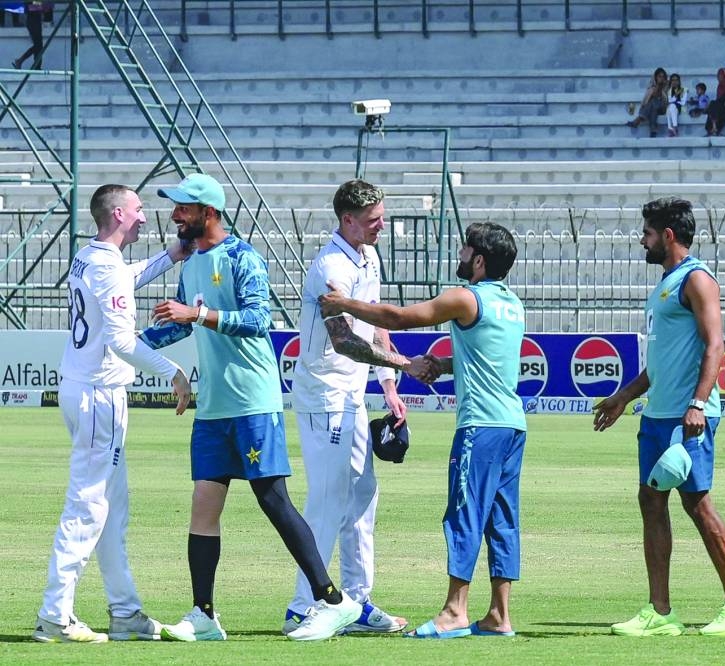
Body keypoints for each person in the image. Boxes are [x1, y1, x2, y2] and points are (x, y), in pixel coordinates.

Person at [140, 173, 362, 642]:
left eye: (183, 207)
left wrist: (196, 314)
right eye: (175, 207)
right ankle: (204, 615)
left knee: (273, 500)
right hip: (215, 406)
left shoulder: (243, 257)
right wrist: (124, 346)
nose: (175, 215)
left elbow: (260, 320)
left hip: (253, 402)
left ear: (209, 212)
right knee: (203, 504)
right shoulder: (193, 263)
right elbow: (177, 325)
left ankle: (334, 602)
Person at [592, 198, 725, 638]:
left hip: (688, 416)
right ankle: (660, 613)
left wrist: (699, 403)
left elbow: (715, 345)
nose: (641, 239)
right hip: (657, 415)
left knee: (697, 504)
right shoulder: (666, 284)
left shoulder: (697, 279)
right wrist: (623, 397)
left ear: (667, 235)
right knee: (651, 501)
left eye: (647, 232)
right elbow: (661, 361)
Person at [319, 222, 527, 640]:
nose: (460, 255)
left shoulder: (465, 298)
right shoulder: (512, 303)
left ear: (480, 260)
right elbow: (488, 358)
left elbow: (400, 318)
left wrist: (346, 303)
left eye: (466, 250)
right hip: (512, 426)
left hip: (479, 427)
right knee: (502, 519)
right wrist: (443, 365)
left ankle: (454, 611)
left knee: (464, 514)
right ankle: (499, 615)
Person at [34, 185, 193, 643]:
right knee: (88, 506)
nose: (146, 217)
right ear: (120, 213)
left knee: (111, 509)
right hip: (99, 395)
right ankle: (54, 615)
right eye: (140, 210)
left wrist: (171, 257)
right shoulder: (107, 267)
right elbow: (121, 343)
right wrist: (173, 372)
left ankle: (124, 612)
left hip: (84, 388)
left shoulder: (91, 257)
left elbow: (125, 278)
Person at [281, 179, 420, 637]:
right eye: (374, 219)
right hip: (324, 394)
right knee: (327, 499)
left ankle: (356, 602)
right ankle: (305, 604)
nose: (382, 225)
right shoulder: (330, 266)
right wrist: (406, 362)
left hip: (353, 394)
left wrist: (390, 385)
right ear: (347, 219)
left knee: (362, 493)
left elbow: (376, 320)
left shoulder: (369, 256)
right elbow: (343, 340)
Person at [628, 67, 669, 137]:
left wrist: (661, 85)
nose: (661, 78)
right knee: (653, 106)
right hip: (653, 108)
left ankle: (638, 119)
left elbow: (662, 98)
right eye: (659, 76)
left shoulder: (667, 85)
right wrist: (658, 85)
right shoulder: (652, 86)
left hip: (663, 108)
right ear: (655, 77)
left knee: (653, 103)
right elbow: (651, 96)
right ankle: (653, 131)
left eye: (663, 76)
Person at [11, 1, 46, 70]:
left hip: (36, 20)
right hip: (33, 21)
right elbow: (29, 7)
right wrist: (42, 6)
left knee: (38, 45)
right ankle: (34, 65)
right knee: (38, 45)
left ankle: (34, 65)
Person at [664, 73, 686, 137]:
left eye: (676, 80)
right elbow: (668, 101)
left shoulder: (683, 90)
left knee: (672, 106)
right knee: (669, 109)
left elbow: (683, 102)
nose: (674, 82)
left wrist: (674, 100)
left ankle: (673, 127)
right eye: (673, 80)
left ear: (679, 81)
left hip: (680, 108)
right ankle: (672, 129)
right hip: (671, 109)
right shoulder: (669, 91)